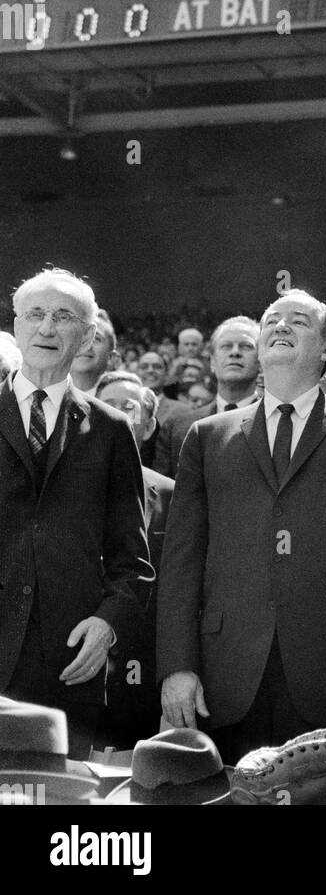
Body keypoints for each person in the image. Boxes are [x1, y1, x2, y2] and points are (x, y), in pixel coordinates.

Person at [157, 289, 326, 763]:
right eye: (272, 320)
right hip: (224, 678)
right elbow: (180, 563)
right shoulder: (208, 437)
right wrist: (176, 666)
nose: (280, 326)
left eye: (298, 321)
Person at [0, 268, 152, 758]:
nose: (47, 328)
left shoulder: (111, 430)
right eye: (36, 315)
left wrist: (107, 623)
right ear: (16, 325)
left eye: (63, 317)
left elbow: (133, 559)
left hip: (69, 667)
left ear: (87, 336)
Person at [94, 371, 173, 747]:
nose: (118, 415)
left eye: (128, 407)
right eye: (106, 405)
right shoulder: (58, 486)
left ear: (149, 425)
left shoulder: (173, 496)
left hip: (141, 667)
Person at [70, 308, 119, 396]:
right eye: (77, 336)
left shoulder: (123, 404)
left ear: (111, 358)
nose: (86, 345)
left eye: (96, 338)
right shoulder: (41, 398)